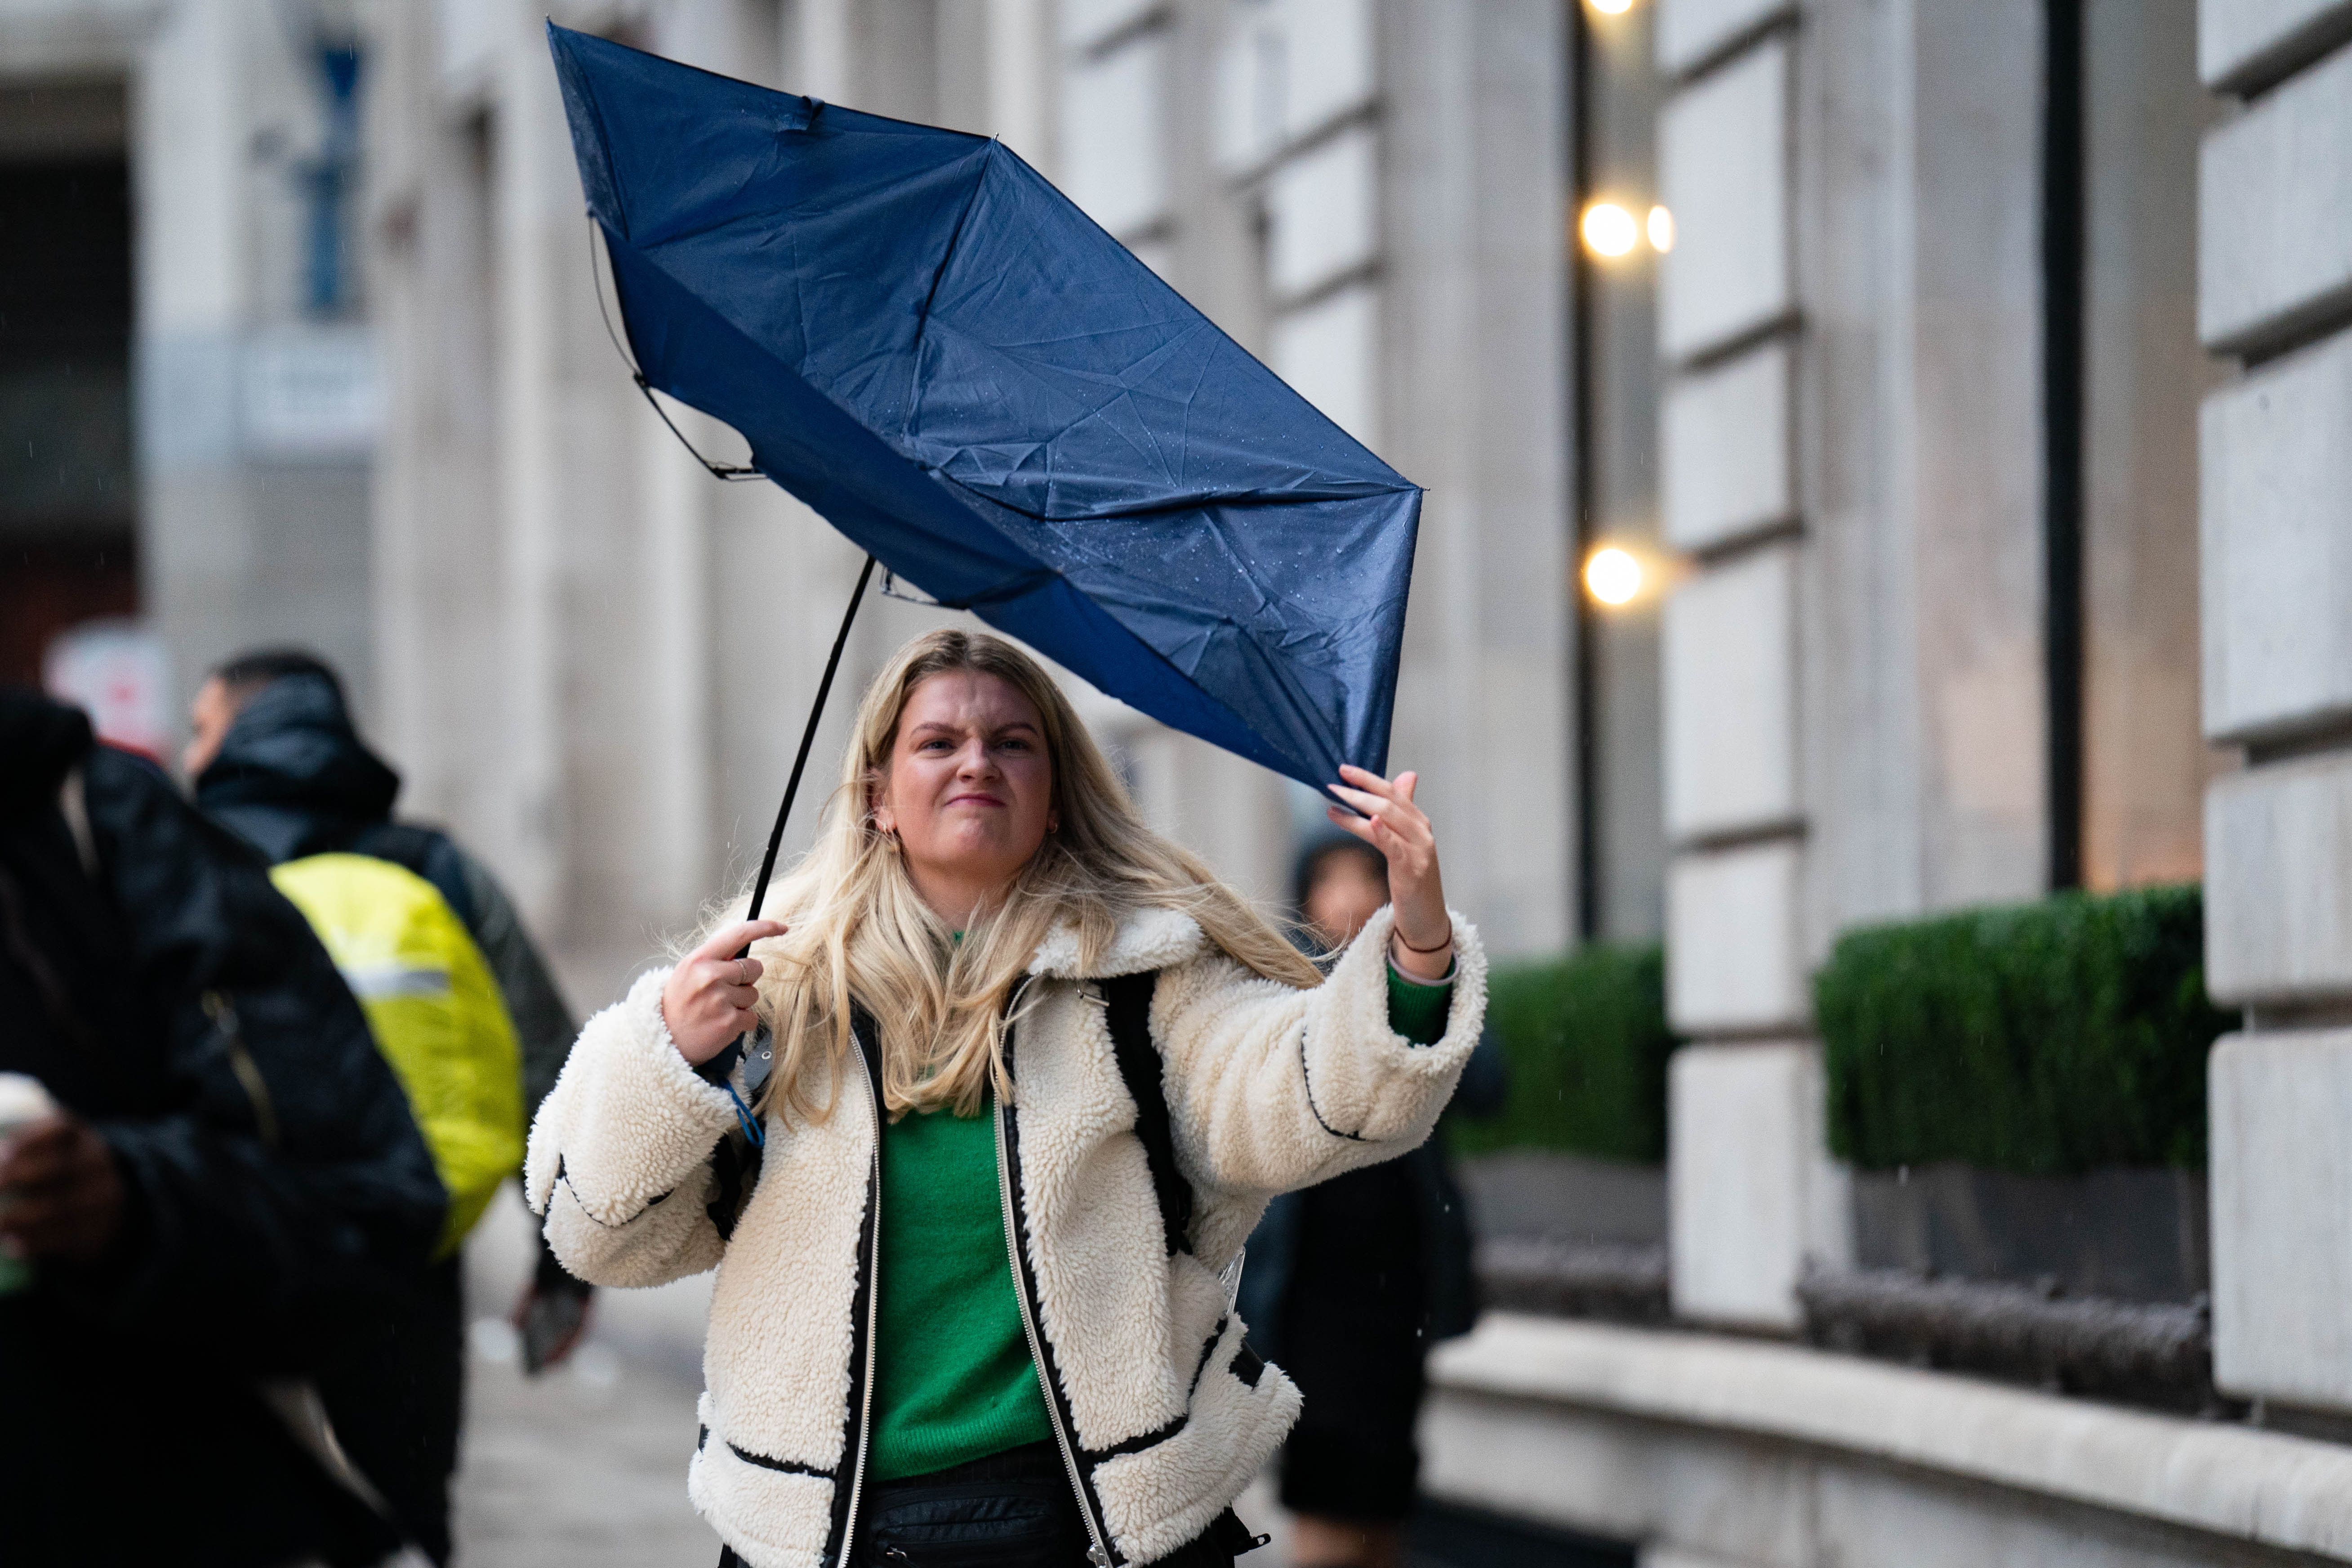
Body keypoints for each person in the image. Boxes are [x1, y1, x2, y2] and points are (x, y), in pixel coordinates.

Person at [527, 628, 1489, 1568]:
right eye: (938, 742)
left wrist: (1417, 948)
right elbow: (595, 1228)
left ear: (1059, 797)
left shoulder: (1144, 976)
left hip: (1095, 1521)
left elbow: (1313, 1094)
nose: (975, 762)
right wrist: (670, 1057)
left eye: (1012, 742)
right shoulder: (766, 985)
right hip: (827, 1530)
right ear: (878, 798)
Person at [0, 686, 447, 1567]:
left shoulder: (99, 826)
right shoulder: (428, 859)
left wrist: (129, 1202)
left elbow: (372, 1209)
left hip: (158, 1500)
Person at [183, 649, 590, 1565]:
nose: (189, 750)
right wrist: (565, 1264)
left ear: (243, 730)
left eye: (200, 727)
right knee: (402, 1514)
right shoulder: (434, 863)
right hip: (411, 1252)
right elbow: (548, 1063)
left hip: (228, 1255)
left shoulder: (182, 856)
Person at [1238, 836, 1508, 1568]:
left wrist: (1424, 962)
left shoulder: (1424, 982)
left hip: (1399, 1291)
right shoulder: (1277, 992)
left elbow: (1487, 1086)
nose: (1350, 895)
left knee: (1385, 1507)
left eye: (1367, 875)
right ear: (1303, 898)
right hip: (1308, 1293)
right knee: (1328, 1507)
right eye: (1329, 879)